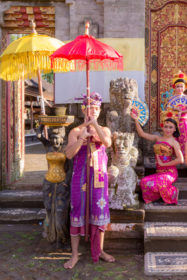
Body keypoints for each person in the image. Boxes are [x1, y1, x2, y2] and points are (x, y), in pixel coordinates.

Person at [64, 92, 114, 269]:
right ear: (83, 109)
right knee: (77, 211)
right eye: (88, 108)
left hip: (99, 177)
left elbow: (107, 143)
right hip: (80, 178)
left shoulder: (105, 129)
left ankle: (99, 251)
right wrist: (82, 139)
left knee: (99, 212)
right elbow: (69, 154)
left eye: (95, 108)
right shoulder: (75, 131)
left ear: (99, 111)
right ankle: (75, 254)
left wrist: (94, 126)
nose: (91, 111)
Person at [131, 110, 184, 204]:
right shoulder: (158, 138)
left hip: (170, 173)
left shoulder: (174, 142)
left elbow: (181, 159)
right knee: (143, 181)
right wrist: (136, 120)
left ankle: (173, 192)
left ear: (174, 129)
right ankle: (161, 194)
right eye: (166, 126)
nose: (168, 129)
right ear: (162, 127)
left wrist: (164, 164)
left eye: (170, 127)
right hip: (159, 172)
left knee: (159, 183)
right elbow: (142, 134)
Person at [167, 70, 187, 155]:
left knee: (183, 137)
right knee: (174, 137)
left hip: (183, 121)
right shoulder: (172, 98)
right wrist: (175, 109)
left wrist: (182, 111)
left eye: (181, 86)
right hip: (174, 121)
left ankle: (183, 154)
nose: (179, 88)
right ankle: (175, 153)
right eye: (177, 86)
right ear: (174, 87)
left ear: (185, 88)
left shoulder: (186, 98)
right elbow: (168, 109)